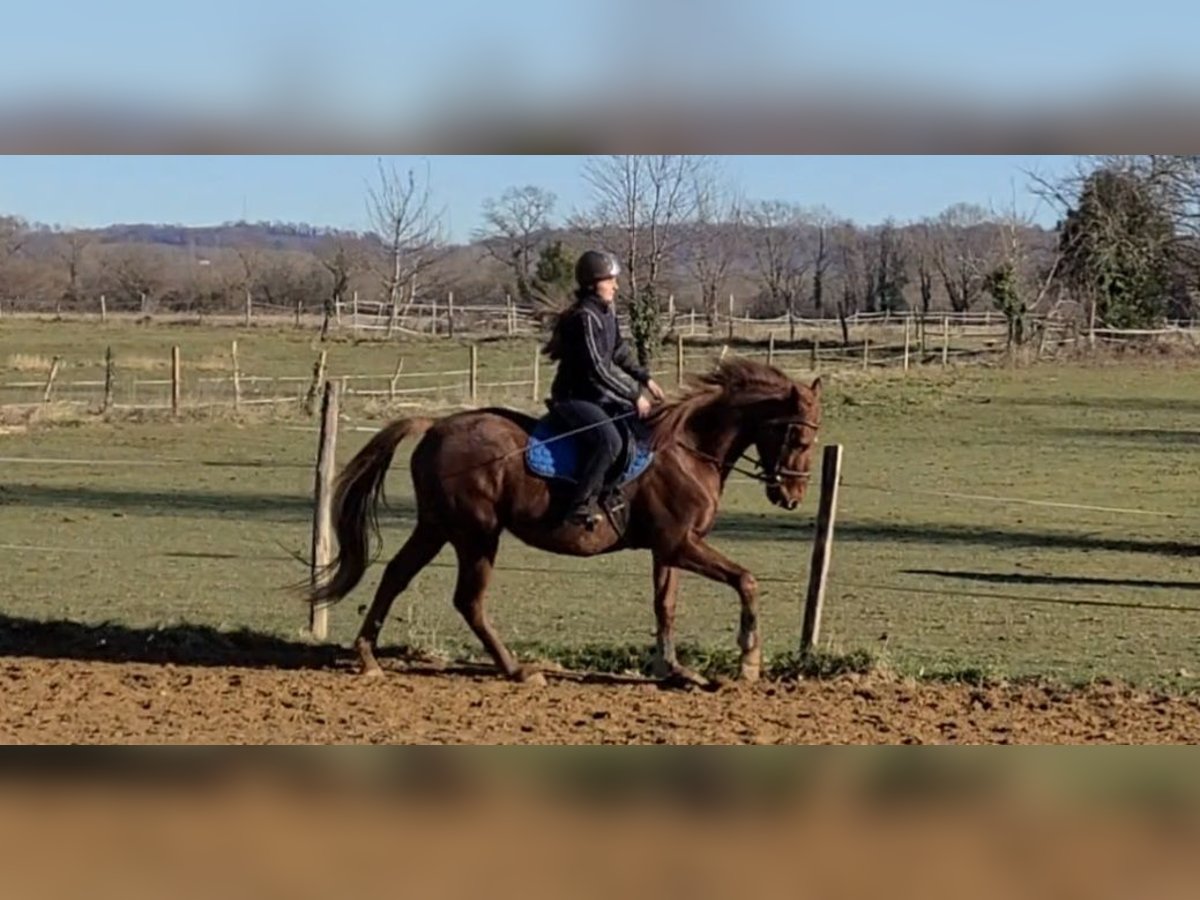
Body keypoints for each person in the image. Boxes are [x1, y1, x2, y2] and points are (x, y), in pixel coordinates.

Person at [542, 250, 665, 527]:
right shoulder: (585, 318)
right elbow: (597, 368)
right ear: (592, 283)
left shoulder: (605, 313)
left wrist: (645, 378)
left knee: (639, 429)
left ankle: (610, 489)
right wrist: (634, 396)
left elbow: (619, 351)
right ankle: (579, 503)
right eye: (610, 280)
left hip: (596, 397)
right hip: (574, 399)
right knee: (609, 441)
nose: (615, 285)